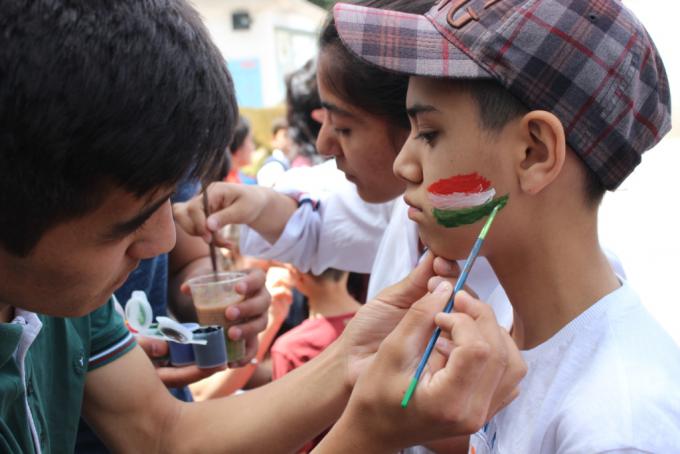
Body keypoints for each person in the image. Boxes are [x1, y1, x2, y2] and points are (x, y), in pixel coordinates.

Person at [0, 1, 526, 452]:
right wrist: (364, 432)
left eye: (428, 132)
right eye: (127, 224)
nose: (164, 241)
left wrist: (352, 358)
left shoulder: (75, 304)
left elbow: (162, 434)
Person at [333, 0, 680, 451]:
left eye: (429, 133)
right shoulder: (505, 348)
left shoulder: (618, 424)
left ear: (534, 152)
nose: (403, 165)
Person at [256, 118, 294, 187]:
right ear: (274, 139)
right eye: (285, 135)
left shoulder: (287, 162)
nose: (290, 139)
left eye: (291, 136)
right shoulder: (273, 165)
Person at [224, 116, 257, 185]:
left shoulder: (238, 178)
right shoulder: (228, 185)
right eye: (251, 140)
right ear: (238, 146)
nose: (253, 147)